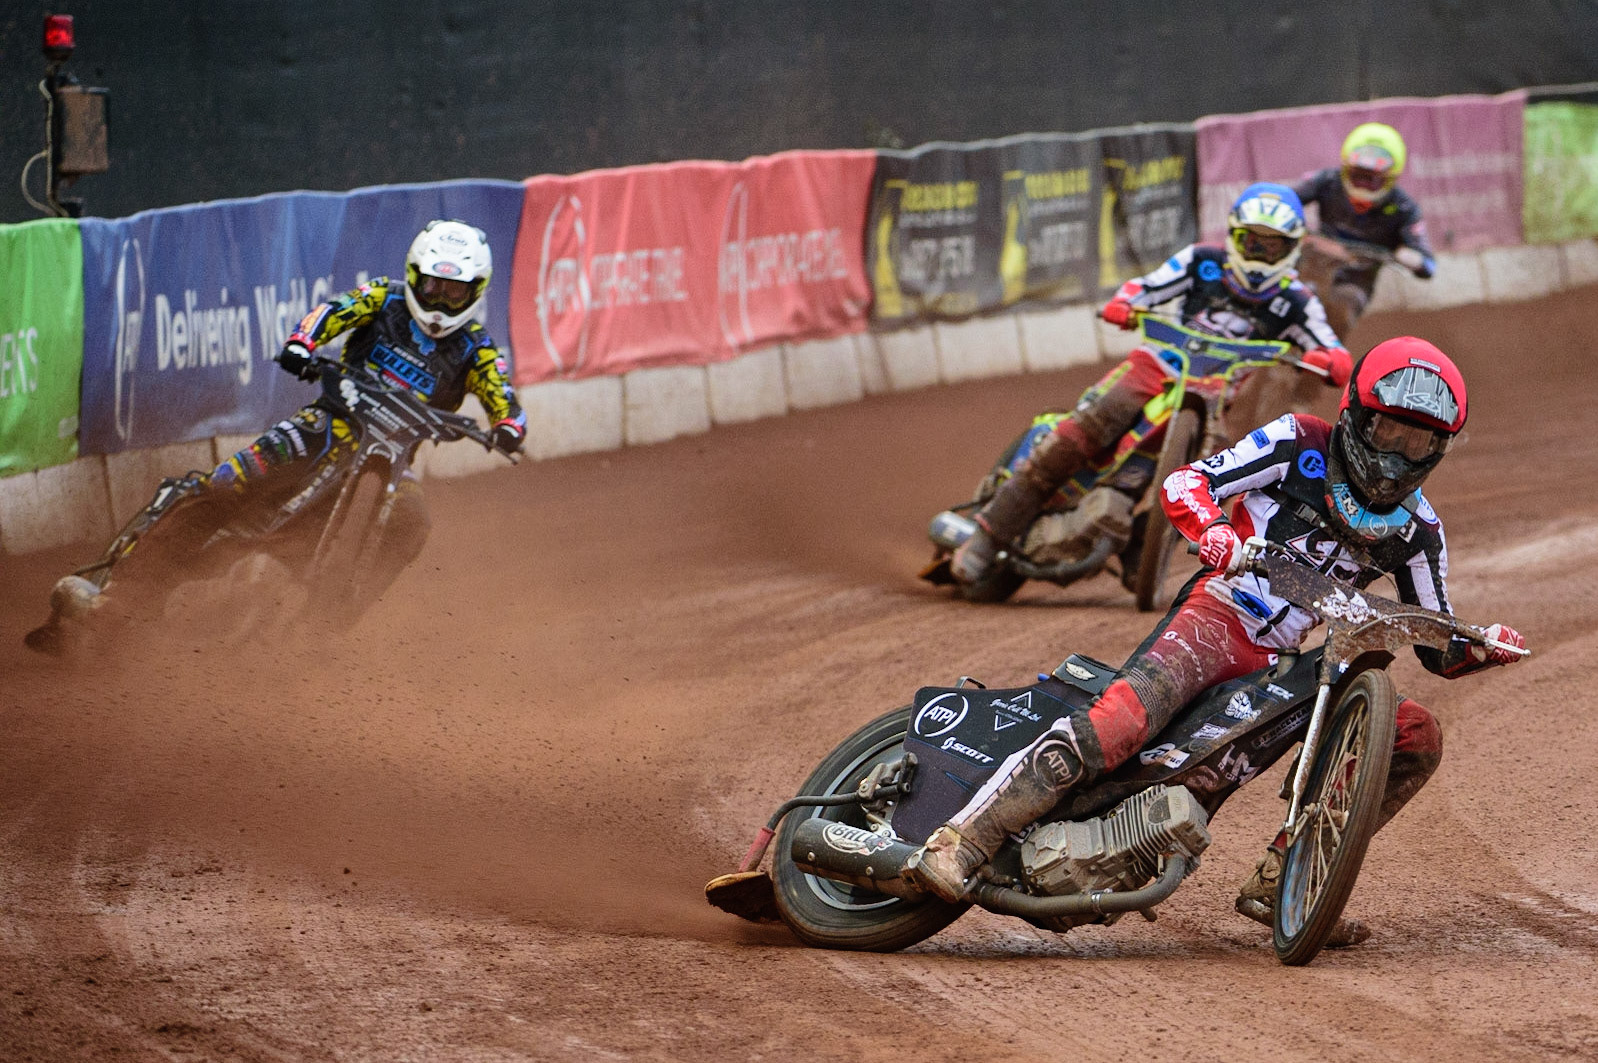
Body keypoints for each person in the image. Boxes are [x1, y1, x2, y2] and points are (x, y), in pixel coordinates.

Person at [907, 337, 1526, 945]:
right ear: (1357, 415)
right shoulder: (1297, 441)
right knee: (1120, 726)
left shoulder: (1419, 530)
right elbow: (1186, 483)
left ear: (1439, 448)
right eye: (1389, 432)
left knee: (1414, 734)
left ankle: (1290, 879)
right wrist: (1213, 531)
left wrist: (1481, 646)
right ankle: (963, 841)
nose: (1397, 454)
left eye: (1417, 442)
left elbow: (1436, 641)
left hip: (1292, 663)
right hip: (1219, 615)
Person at [27, 219, 525, 651]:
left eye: (453, 291)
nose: (440, 300)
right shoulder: (384, 298)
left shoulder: (476, 349)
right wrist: (303, 342)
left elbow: (503, 395)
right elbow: (334, 311)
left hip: (394, 460)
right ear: (415, 276)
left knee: (412, 522)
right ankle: (121, 599)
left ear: (475, 291)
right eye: (433, 286)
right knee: (227, 484)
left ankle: (328, 626)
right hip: (326, 426)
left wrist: (508, 428)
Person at [950, 183, 1351, 589]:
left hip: (1213, 396)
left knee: (1219, 472)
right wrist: (1125, 304)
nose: (1260, 256)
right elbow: (1146, 287)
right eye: (1252, 243)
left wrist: (1327, 360)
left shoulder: (1298, 300)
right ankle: (987, 536)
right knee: (1087, 426)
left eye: (1273, 247)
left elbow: (1333, 351)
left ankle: (1141, 549)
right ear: (1233, 237)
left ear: (1293, 249)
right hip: (1155, 364)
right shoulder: (1200, 261)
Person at [1292, 122, 1437, 342]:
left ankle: (1320, 364)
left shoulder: (1404, 208)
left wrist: (1410, 257)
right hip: (1311, 266)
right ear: (1345, 168)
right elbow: (1284, 200)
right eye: (1357, 175)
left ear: (1390, 177)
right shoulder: (1327, 181)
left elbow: (1428, 265)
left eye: (1372, 179)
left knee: (1340, 313)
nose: (1362, 186)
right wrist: (1298, 231)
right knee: (1283, 295)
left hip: (1355, 281)